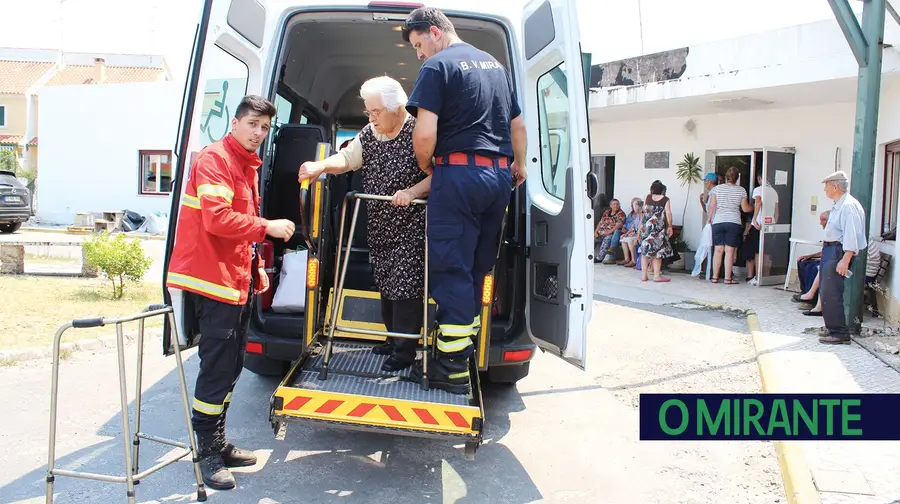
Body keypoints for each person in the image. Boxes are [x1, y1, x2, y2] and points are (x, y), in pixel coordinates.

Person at [165, 95, 295, 490]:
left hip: (233, 281)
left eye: (264, 128)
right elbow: (219, 220)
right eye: (252, 124)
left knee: (233, 367)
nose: (258, 133)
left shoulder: (245, 165)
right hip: (211, 282)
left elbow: (238, 238)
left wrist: (257, 271)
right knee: (216, 368)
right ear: (236, 123)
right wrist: (267, 226)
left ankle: (218, 444)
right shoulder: (216, 159)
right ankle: (205, 453)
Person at [402, 7, 527, 394]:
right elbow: (517, 126)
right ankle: (461, 351)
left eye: (419, 44)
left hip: (458, 175)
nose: (419, 54)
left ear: (435, 32)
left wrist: (428, 167)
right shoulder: (496, 67)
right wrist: (518, 167)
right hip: (498, 178)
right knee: (475, 268)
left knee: (450, 267)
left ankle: (452, 369)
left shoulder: (438, 68)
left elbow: (424, 134)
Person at [297, 76, 431, 372]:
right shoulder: (370, 133)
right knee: (385, 282)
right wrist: (320, 166)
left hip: (412, 224)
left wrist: (411, 192)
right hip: (380, 223)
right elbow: (347, 159)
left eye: (375, 111)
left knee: (405, 287)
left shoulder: (419, 132)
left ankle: (405, 351)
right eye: (368, 112)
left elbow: (440, 174)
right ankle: (392, 339)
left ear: (397, 108)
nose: (371, 118)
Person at [819, 170, 866, 345]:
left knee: (832, 292)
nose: (825, 190)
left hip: (839, 251)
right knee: (826, 291)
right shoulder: (839, 204)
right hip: (832, 249)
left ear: (835, 186)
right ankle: (833, 329)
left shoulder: (848, 206)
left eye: (827, 187)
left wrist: (845, 259)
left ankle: (840, 332)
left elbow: (851, 235)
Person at [708, 166, 752, 284]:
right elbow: (745, 208)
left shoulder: (717, 189)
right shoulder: (741, 190)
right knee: (729, 251)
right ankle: (728, 278)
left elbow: (712, 206)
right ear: (737, 178)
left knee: (718, 250)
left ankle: (715, 277)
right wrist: (755, 206)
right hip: (733, 222)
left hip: (718, 221)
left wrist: (709, 220)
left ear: (726, 177)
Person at [639, 180, 673, 282]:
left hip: (646, 228)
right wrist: (670, 226)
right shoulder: (666, 199)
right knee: (657, 252)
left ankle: (644, 275)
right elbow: (668, 213)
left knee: (645, 252)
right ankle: (657, 276)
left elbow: (644, 212)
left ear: (652, 189)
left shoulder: (648, 197)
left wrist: (641, 226)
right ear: (662, 190)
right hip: (658, 229)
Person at [593, 198, 626, 264]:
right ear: (610, 205)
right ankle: (587, 255)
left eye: (617, 204)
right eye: (614, 204)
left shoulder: (621, 214)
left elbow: (619, 225)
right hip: (601, 232)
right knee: (591, 239)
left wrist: (609, 232)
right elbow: (601, 222)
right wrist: (596, 231)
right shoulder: (607, 212)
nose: (616, 206)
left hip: (612, 233)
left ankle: (600, 258)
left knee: (607, 238)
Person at [619, 198, 643, 268]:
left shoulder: (642, 215)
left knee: (630, 240)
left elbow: (641, 228)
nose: (633, 207)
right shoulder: (636, 215)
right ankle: (627, 259)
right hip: (635, 234)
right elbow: (633, 226)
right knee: (623, 239)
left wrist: (635, 235)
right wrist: (626, 234)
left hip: (640, 235)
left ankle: (634, 260)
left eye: (634, 205)